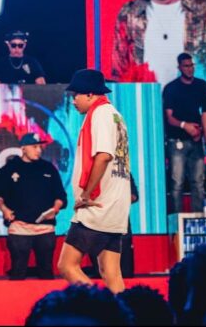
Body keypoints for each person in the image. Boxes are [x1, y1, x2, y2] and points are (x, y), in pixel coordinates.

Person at [57, 69, 131, 294]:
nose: (73, 100)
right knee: (111, 272)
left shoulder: (100, 114)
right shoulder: (116, 115)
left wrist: (86, 194)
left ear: (90, 94)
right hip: (115, 204)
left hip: (97, 205)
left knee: (67, 266)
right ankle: (124, 311)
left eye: (76, 95)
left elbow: (104, 155)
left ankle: (100, 306)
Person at [0, 132, 67, 280]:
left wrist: (55, 208)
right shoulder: (8, 169)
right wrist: (4, 209)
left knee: (46, 272)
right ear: (23, 148)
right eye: (34, 147)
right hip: (19, 228)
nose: (39, 150)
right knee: (18, 272)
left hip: (45, 228)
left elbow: (60, 196)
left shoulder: (48, 168)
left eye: (40, 147)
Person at [163, 53, 206, 213]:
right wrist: (185, 126)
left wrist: (200, 130)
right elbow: (169, 118)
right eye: (186, 66)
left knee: (198, 182)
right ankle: (177, 220)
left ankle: (198, 219)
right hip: (177, 140)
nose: (190, 69)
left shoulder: (202, 86)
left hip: (196, 140)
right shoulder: (171, 88)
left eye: (192, 65)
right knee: (177, 183)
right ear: (180, 67)